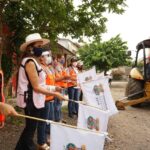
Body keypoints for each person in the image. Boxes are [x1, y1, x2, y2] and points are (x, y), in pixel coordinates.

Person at [15, 33, 65, 150]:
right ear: (30, 48)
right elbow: (36, 87)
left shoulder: (33, 61)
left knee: (30, 128)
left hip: (35, 99)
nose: (41, 48)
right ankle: (29, 147)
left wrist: (53, 88)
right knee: (30, 129)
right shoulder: (30, 62)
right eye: (38, 45)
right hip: (31, 100)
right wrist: (55, 94)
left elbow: (40, 84)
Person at [54, 55, 70, 122]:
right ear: (58, 59)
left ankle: (59, 118)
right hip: (58, 88)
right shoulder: (57, 67)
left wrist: (66, 79)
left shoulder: (62, 67)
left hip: (62, 87)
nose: (63, 59)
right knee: (57, 105)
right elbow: (57, 78)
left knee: (59, 105)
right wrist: (64, 78)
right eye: (62, 58)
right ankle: (57, 119)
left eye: (64, 58)